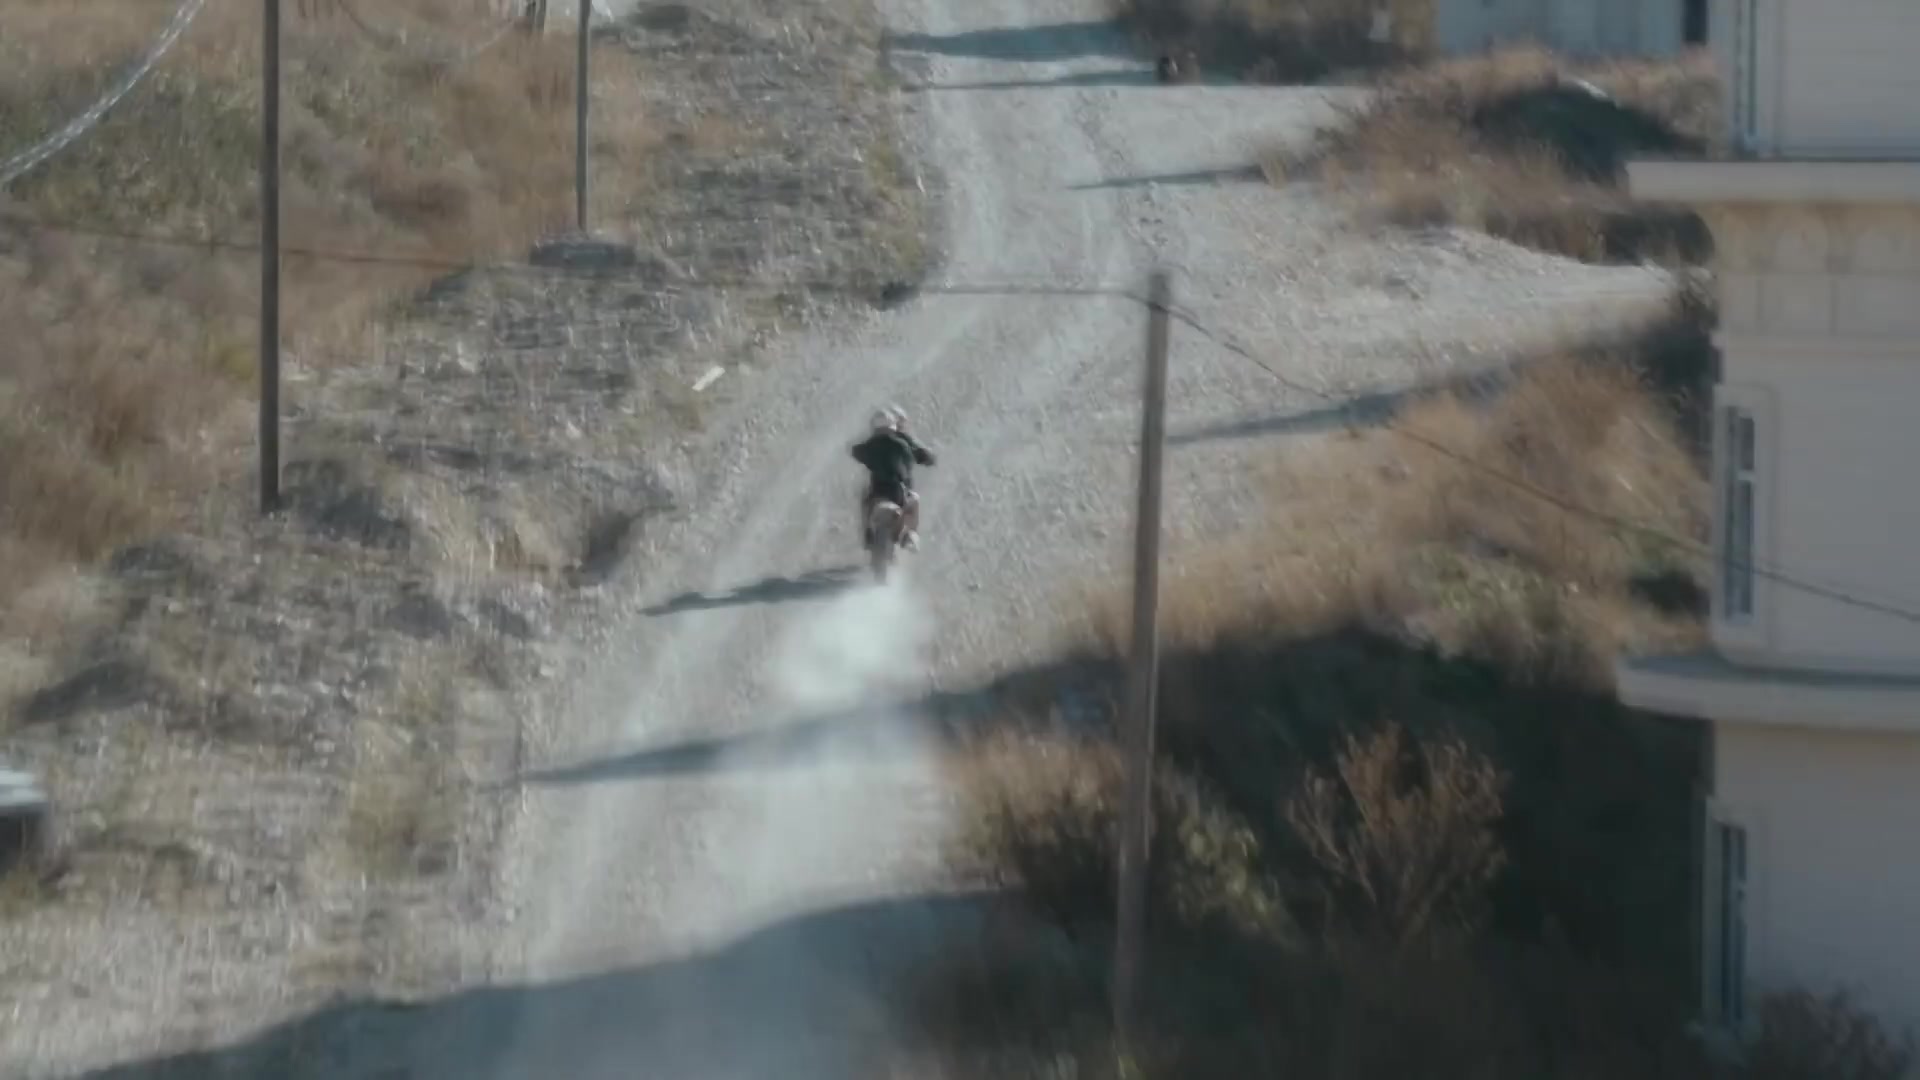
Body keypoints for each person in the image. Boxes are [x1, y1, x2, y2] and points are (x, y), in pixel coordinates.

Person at [851, 405, 936, 552]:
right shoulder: (904, 444)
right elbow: (918, 458)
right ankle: (909, 535)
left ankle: (869, 534)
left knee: (866, 497)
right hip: (900, 491)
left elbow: (857, 451)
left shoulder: (874, 443)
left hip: (880, 491)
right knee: (914, 501)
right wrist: (926, 458)